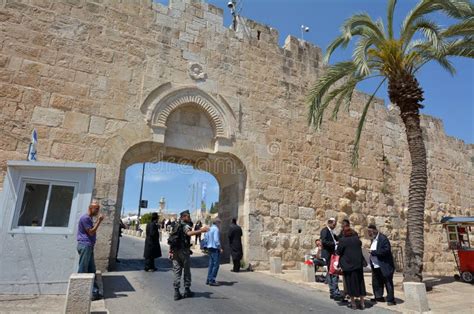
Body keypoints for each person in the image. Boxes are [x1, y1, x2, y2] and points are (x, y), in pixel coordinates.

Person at [169, 210, 208, 301]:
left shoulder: (175, 225)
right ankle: (187, 290)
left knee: (177, 271)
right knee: (186, 271)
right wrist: (201, 230)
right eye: (188, 216)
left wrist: (171, 251)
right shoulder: (185, 225)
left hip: (175, 251)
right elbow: (189, 233)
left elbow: (172, 238)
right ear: (183, 217)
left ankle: (176, 292)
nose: (189, 217)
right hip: (183, 251)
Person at [77, 200, 104, 300]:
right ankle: (80, 293)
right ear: (90, 208)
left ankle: (94, 292)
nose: (97, 211)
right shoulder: (85, 218)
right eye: (96, 209)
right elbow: (91, 232)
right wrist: (99, 221)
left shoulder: (89, 218)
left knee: (91, 269)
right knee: (83, 269)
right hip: (85, 246)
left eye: (98, 209)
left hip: (88, 246)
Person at [337, 228, 367, 310]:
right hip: (358, 265)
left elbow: (338, 252)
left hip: (348, 266)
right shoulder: (357, 240)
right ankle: (362, 303)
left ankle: (353, 303)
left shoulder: (343, 240)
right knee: (360, 283)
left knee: (350, 284)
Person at [368, 224, 396, 306]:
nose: (368, 233)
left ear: (374, 231)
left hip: (384, 265)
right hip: (375, 265)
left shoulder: (383, 239)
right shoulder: (373, 239)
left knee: (387, 282)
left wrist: (374, 253)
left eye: (369, 231)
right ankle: (378, 296)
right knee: (377, 281)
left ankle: (391, 299)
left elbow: (386, 250)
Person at [320, 217, 342, 300]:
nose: (335, 225)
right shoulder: (325, 230)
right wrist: (334, 243)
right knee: (333, 272)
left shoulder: (331, 232)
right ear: (330, 223)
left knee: (331, 272)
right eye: (334, 224)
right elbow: (324, 241)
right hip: (328, 254)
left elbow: (337, 238)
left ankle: (333, 291)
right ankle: (334, 291)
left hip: (332, 254)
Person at [206, 217, 223, 285]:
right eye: (220, 223)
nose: (220, 225)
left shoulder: (209, 229)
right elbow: (216, 240)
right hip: (215, 248)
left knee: (211, 264)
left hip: (210, 248)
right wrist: (220, 248)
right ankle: (212, 279)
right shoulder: (216, 229)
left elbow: (206, 238)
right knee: (216, 265)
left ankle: (208, 279)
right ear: (217, 222)